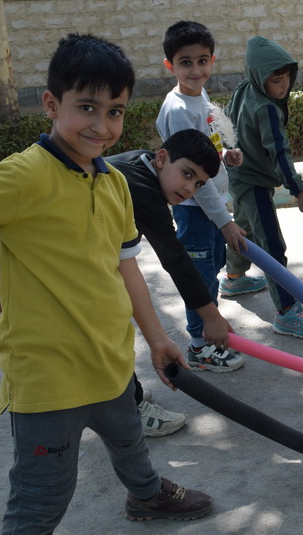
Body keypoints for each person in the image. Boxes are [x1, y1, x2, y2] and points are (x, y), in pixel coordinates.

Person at [0, 33, 213, 527]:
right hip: (48, 377)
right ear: (52, 104)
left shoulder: (113, 183)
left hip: (110, 359)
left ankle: (146, 496)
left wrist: (157, 339)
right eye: (86, 107)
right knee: (43, 495)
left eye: (114, 111)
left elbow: (126, 267)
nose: (101, 125)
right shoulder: (24, 175)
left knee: (130, 441)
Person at [107, 129, 243, 437]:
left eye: (199, 184)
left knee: (111, 323)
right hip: (67, 265)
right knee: (107, 328)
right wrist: (211, 317)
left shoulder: (140, 163)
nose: (190, 188)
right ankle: (128, 409)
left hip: (90, 259)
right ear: (162, 158)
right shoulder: (141, 188)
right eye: (187, 174)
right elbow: (174, 257)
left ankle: (124, 396)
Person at [157, 20, 252, 374]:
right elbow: (194, 178)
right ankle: (200, 346)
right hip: (195, 208)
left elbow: (204, 149)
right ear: (170, 66)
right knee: (199, 276)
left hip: (210, 206)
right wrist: (225, 221)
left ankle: (210, 325)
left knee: (211, 271)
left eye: (202, 61)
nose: (196, 70)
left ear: (212, 60)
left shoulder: (200, 96)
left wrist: (224, 156)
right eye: (186, 63)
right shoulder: (178, 110)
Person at [224, 35, 303, 338]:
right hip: (253, 181)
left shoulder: (244, 88)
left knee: (243, 227)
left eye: (286, 78)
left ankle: (234, 276)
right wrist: (300, 191)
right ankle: (286, 311)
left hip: (238, 175)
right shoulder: (267, 108)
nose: (284, 86)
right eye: (276, 81)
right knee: (271, 243)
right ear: (260, 79)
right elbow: (280, 153)